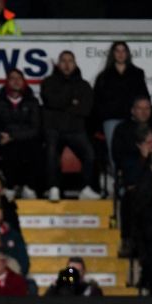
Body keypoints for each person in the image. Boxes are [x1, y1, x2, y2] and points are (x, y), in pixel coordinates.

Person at [41, 51, 100, 201]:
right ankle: (53, 188)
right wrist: (72, 101)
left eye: (70, 61)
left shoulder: (84, 85)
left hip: (75, 129)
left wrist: (62, 103)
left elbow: (86, 109)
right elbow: (50, 101)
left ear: (75, 63)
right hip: (54, 128)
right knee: (51, 153)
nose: (67, 64)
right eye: (63, 61)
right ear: (58, 63)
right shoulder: (48, 82)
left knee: (90, 154)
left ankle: (85, 188)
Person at [0, 68, 40, 200]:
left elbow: (35, 128)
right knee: (8, 151)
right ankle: (10, 187)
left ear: (24, 82)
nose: (16, 81)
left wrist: (13, 136)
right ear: (7, 82)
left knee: (34, 149)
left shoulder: (32, 102)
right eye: (12, 78)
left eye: (19, 78)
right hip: (3, 142)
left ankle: (29, 187)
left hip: (26, 141)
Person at [94, 41, 149, 169]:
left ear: (127, 53)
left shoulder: (137, 73)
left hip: (133, 119)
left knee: (135, 150)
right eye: (117, 51)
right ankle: (118, 184)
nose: (120, 54)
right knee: (114, 153)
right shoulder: (103, 76)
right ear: (113, 54)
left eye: (123, 50)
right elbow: (97, 100)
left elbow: (143, 96)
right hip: (111, 119)